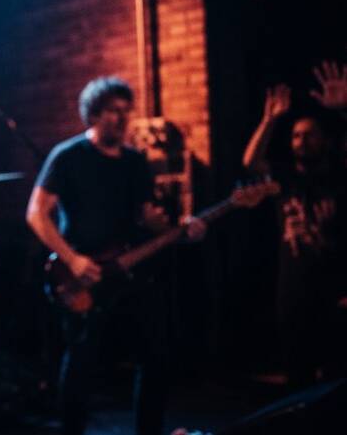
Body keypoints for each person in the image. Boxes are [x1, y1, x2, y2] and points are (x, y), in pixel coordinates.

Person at [25, 76, 205, 435]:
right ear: (93, 114)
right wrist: (73, 259)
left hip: (132, 273)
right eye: (112, 111)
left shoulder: (136, 162)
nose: (121, 119)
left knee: (155, 356)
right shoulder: (68, 156)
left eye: (125, 111)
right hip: (83, 277)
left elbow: (146, 219)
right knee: (81, 363)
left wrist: (181, 229)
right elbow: (35, 213)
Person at [242, 61, 347, 387]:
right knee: (297, 378)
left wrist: (343, 111)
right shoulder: (284, 179)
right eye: (297, 136)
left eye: (310, 135)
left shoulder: (339, 176)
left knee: (337, 377)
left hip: (337, 290)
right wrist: (270, 119)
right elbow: (250, 162)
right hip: (294, 291)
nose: (302, 141)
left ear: (326, 142)